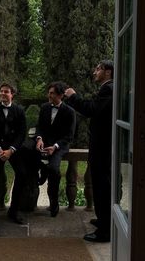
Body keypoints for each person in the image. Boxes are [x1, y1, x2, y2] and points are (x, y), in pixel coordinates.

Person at [65, 59, 113, 242]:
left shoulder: (108, 89)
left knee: (102, 188)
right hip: (103, 147)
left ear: (107, 72)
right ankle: (104, 221)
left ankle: (104, 232)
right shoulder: (107, 88)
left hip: (103, 148)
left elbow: (91, 109)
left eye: (98, 68)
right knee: (101, 186)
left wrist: (73, 96)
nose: (94, 71)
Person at [0, 83, 27, 236]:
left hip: (13, 150)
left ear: (12, 94)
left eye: (6, 91)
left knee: (22, 174)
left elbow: (22, 133)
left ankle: (13, 211)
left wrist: (11, 150)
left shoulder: (19, 110)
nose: (2, 93)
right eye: (1, 91)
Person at [35, 81, 76, 217]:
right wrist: (39, 138)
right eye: (49, 92)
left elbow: (69, 136)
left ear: (60, 95)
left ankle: (54, 202)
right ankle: (41, 175)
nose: (49, 95)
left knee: (53, 169)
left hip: (60, 146)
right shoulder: (45, 107)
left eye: (52, 93)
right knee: (29, 159)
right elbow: (39, 126)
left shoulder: (69, 112)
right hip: (44, 144)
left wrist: (55, 146)